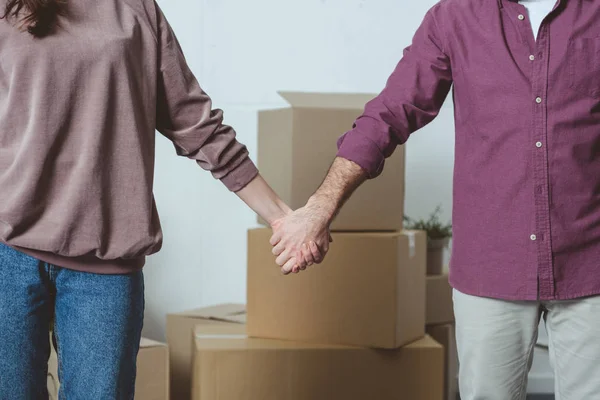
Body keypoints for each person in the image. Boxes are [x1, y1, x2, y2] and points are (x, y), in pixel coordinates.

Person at [271, 0, 600, 399]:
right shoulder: (455, 16)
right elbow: (389, 114)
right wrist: (322, 206)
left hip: (590, 262)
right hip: (491, 266)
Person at [0, 0, 293, 398]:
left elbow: (194, 121)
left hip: (105, 266)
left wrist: (278, 215)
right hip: (7, 254)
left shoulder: (135, 8)